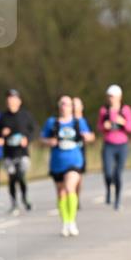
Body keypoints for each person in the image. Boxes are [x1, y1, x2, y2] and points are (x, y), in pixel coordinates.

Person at [42, 95, 94, 236]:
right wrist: (49, 142)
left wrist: (86, 136)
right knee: (61, 193)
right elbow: (43, 138)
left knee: (70, 187)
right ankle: (65, 222)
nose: (65, 107)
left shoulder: (78, 122)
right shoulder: (51, 122)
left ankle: (72, 221)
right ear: (59, 106)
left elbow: (91, 136)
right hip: (57, 162)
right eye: (63, 104)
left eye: (68, 104)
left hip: (74, 160)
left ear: (72, 107)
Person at [0, 89, 37, 216]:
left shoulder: (25, 115)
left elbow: (35, 130)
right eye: (9, 100)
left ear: (19, 101)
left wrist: (27, 139)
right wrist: (1, 136)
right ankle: (14, 203)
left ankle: (25, 198)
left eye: (13, 99)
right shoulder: (3, 117)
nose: (11, 102)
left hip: (23, 153)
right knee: (12, 178)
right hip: (9, 154)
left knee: (20, 176)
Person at [97, 85, 131, 211]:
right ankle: (108, 189)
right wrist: (104, 126)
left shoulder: (125, 110)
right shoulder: (104, 110)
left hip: (122, 145)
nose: (110, 99)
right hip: (108, 145)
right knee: (108, 173)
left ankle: (117, 200)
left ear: (119, 97)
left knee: (118, 174)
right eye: (109, 97)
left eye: (112, 96)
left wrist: (122, 122)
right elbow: (99, 127)